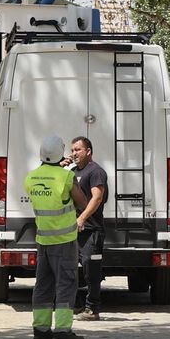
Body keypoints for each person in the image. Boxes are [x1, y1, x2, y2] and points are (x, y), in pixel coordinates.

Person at [26, 135, 90, 339]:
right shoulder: (65, 177)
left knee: (43, 286)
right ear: (60, 154)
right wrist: (63, 171)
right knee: (66, 285)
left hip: (43, 241)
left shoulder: (31, 177)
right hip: (64, 241)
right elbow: (81, 202)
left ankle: (41, 330)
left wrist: (55, 167)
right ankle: (62, 331)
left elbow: (46, 182)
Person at [70, 136, 109, 322]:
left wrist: (82, 218)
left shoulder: (96, 172)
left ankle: (92, 309)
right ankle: (77, 304)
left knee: (91, 271)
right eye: (72, 150)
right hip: (74, 231)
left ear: (88, 151)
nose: (74, 153)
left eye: (78, 149)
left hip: (92, 230)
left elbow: (97, 197)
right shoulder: (71, 171)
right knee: (71, 269)